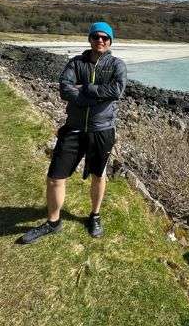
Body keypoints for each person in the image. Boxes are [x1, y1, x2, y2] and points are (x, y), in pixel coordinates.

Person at [19, 21, 127, 244]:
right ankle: (53, 222)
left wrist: (86, 88)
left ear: (110, 41)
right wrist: (95, 96)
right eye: (96, 36)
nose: (100, 40)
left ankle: (94, 216)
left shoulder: (117, 64)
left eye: (105, 38)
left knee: (98, 175)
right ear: (89, 39)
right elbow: (64, 89)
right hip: (74, 128)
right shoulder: (76, 63)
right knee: (55, 177)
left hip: (102, 129)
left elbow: (117, 90)